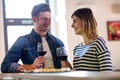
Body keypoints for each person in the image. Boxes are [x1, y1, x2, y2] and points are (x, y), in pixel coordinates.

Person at [1, 3, 71, 73]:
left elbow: (66, 66)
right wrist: (30, 66)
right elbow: (5, 65)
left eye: (50, 19)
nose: (48, 22)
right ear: (34, 19)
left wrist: (67, 66)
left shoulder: (58, 42)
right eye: (44, 19)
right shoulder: (23, 41)